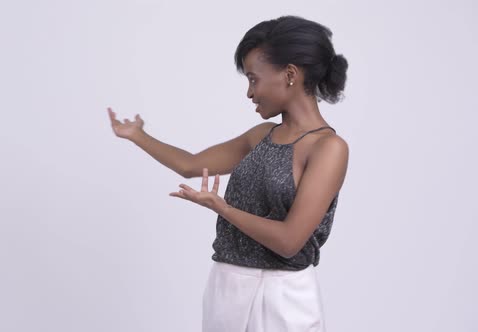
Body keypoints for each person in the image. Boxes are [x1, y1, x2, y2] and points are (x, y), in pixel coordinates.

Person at [107, 15, 349, 332]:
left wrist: (222, 208)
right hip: (227, 285)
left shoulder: (329, 148)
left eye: (253, 78)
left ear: (289, 74)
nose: (250, 92)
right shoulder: (261, 135)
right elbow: (191, 164)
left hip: (284, 297)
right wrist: (138, 136)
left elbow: (289, 241)